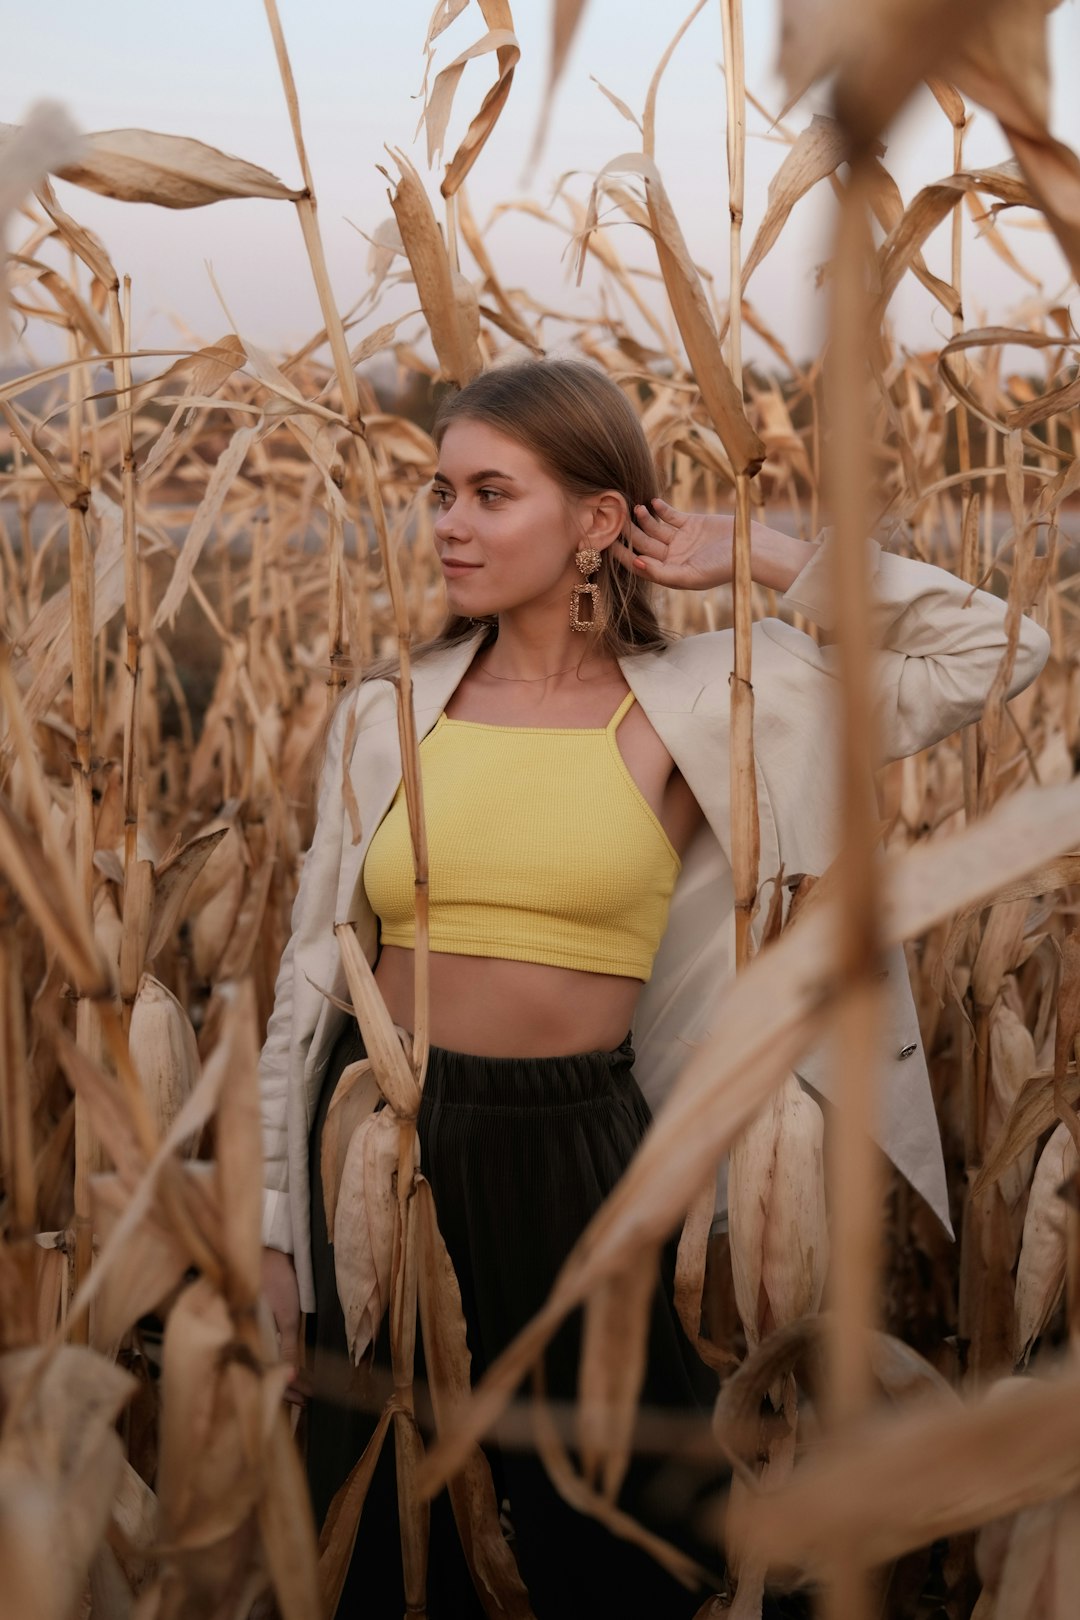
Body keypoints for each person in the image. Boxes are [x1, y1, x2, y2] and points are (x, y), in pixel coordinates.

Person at [258, 357, 1049, 1616]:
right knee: (385, 1542)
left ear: (600, 523)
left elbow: (998, 649)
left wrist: (772, 556)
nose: (449, 524)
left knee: (617, 1542)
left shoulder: (722, 699)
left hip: (581, 1158)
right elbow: (307, 997)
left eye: (490, 494)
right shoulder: (388, 712)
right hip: (376, 1148)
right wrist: (273, 1231)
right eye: (439, 492)